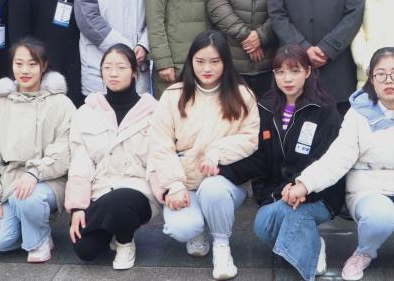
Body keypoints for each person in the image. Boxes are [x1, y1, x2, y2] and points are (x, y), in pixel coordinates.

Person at [284, 47, 394, 281]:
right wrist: (305, 183)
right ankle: (364, 252)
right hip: (368, 188)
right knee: (380, 217)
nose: (388, 80)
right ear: (371, 79)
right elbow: (338, 157)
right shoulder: (358, 114)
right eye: (380, 74)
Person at [219, 45, 344, 281]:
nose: (287, 79)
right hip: (277, 194)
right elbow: (259, 158)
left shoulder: (324, 109)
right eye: (280, 72)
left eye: (295, 71)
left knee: (294, 213)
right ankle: (313, 242)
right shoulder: (265, 107)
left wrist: (300, 186)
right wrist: (222, 170)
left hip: (318, 195)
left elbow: (326, 159)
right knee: (262, 225)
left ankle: (310, 254)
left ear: (308, 72)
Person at [147, 30, 259, 280]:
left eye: (215, 61)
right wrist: (174, 184)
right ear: (191, 61)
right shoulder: (173, 95)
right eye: (200, 61)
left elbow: (250, 138)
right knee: (183, 227)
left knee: (212, 189)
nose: (207, 68)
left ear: (225, 62)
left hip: (224, 181)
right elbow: (160, 144)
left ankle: (221, 245)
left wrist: (217, 152)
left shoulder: (242, 95)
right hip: (184, 180)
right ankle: (197, 230)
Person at [0, 38, 76, 263]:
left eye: (32, 64)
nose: (25, 70)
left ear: (44, 66)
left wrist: (34, 172)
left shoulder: (61, 103)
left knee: (27, 198)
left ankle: (38, 241)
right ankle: (32, 225)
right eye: (19, 64)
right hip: (11, 181)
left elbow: (66, 148)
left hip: (50, 179)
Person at [66, 43, 159, 269]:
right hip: (100, 190)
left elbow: (160, 157)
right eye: (107, 68)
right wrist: (78, 207)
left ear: (134, 72)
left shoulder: (154, 111)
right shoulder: (87, 112)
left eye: (120, 67)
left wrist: (167, 192)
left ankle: (125, 242)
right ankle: (113, 228)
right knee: (85, 250)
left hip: (139, 191)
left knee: (120, 202)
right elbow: (80, 162)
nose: (113, 73)